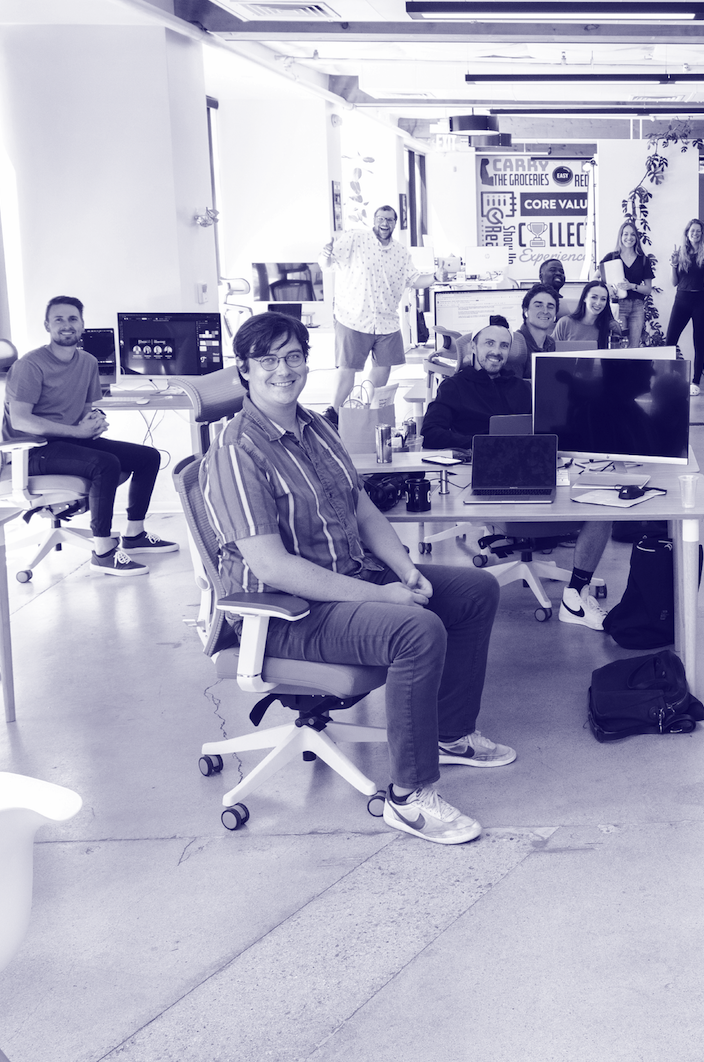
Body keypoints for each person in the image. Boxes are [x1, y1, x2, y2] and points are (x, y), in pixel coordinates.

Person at [201, 312, 517, 845]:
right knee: (415, 629)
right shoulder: (237, 451)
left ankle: (450, 734)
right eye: (268, 360)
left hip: (345, 581)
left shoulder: (314, 425)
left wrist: (406, 570)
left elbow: (361, 503)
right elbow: (273, 567)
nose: (284, 370)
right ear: (245, 373)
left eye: (293, 356)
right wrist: (382, 596)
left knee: (473, 591)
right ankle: (409, 798)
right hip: (285, 613)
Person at [420, 317, 615, 630]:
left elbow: (550, 427)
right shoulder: (455, 387)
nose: (497, 351)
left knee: (603, 505)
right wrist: (481, 445)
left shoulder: (522, 387)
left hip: (536, 470)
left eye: (503, 345)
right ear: (474, 347)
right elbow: (430, 433)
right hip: (483, 476)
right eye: (489, 343)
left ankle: (575, 594)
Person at [6, 295, 176, 577]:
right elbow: (21, 420)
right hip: (35, 450)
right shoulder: (30, 365)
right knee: (105, 463)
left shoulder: (86, 361)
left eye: (73, 319)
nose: (66, 325)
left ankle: (134, 535)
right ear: (47, 325)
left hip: (71, 441)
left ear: (82, 325)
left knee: (148, 457)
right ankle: (103, 552)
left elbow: (85, 408)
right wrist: (77, 431)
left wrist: (94, 422)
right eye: (58, 319)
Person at [322, 204, 432, 409]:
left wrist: (435, 277)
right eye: (381, 218)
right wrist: (326, 254)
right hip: (354, 316)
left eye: (390, 219)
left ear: (395, 223)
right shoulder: (355, 238)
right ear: (374, 220)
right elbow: (329, 264)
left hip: (386, 319)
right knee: (347, 367)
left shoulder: (400, 251)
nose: (385, 223)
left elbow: (414, 279)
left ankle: (366, 409)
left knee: (383, 366)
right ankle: (333, 413)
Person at [664, 219, 704, 393]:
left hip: (702, 301)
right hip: (682, 300)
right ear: (687, 233)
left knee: (699, 342)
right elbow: (674, 282)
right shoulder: (680, 253)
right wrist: (673, 265)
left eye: (698, 231)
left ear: (702, 234)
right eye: (692, 231)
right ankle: (667, 378)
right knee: (670, 341)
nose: (695, 234)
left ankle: (696, 382)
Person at [596, 220, 659, 347]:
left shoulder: (643, 260)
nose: (628, 238)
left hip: (637, 307)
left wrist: (632, 286)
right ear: (620, 236)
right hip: (618, 306)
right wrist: (607, 287)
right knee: (618, 344)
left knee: (634, 345)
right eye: (625, 234)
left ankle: (631, 368)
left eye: (632, 234)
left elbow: (647, 289)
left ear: (636, 237)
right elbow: (595, 279)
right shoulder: (611, 257)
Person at [507, 285, 560, 380]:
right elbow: (514, 389)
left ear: (555, 314)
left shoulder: (550, 343)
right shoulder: (516, 345)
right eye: (538, 305)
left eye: (550, 307)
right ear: (525, 310)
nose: (545, 311)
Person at [556, 280, 617, 349]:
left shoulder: (611, 327)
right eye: (594, 297)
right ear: (584, 298)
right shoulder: (565, 323)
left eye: (603, 299)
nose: (598, 303)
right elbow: (552, 352)